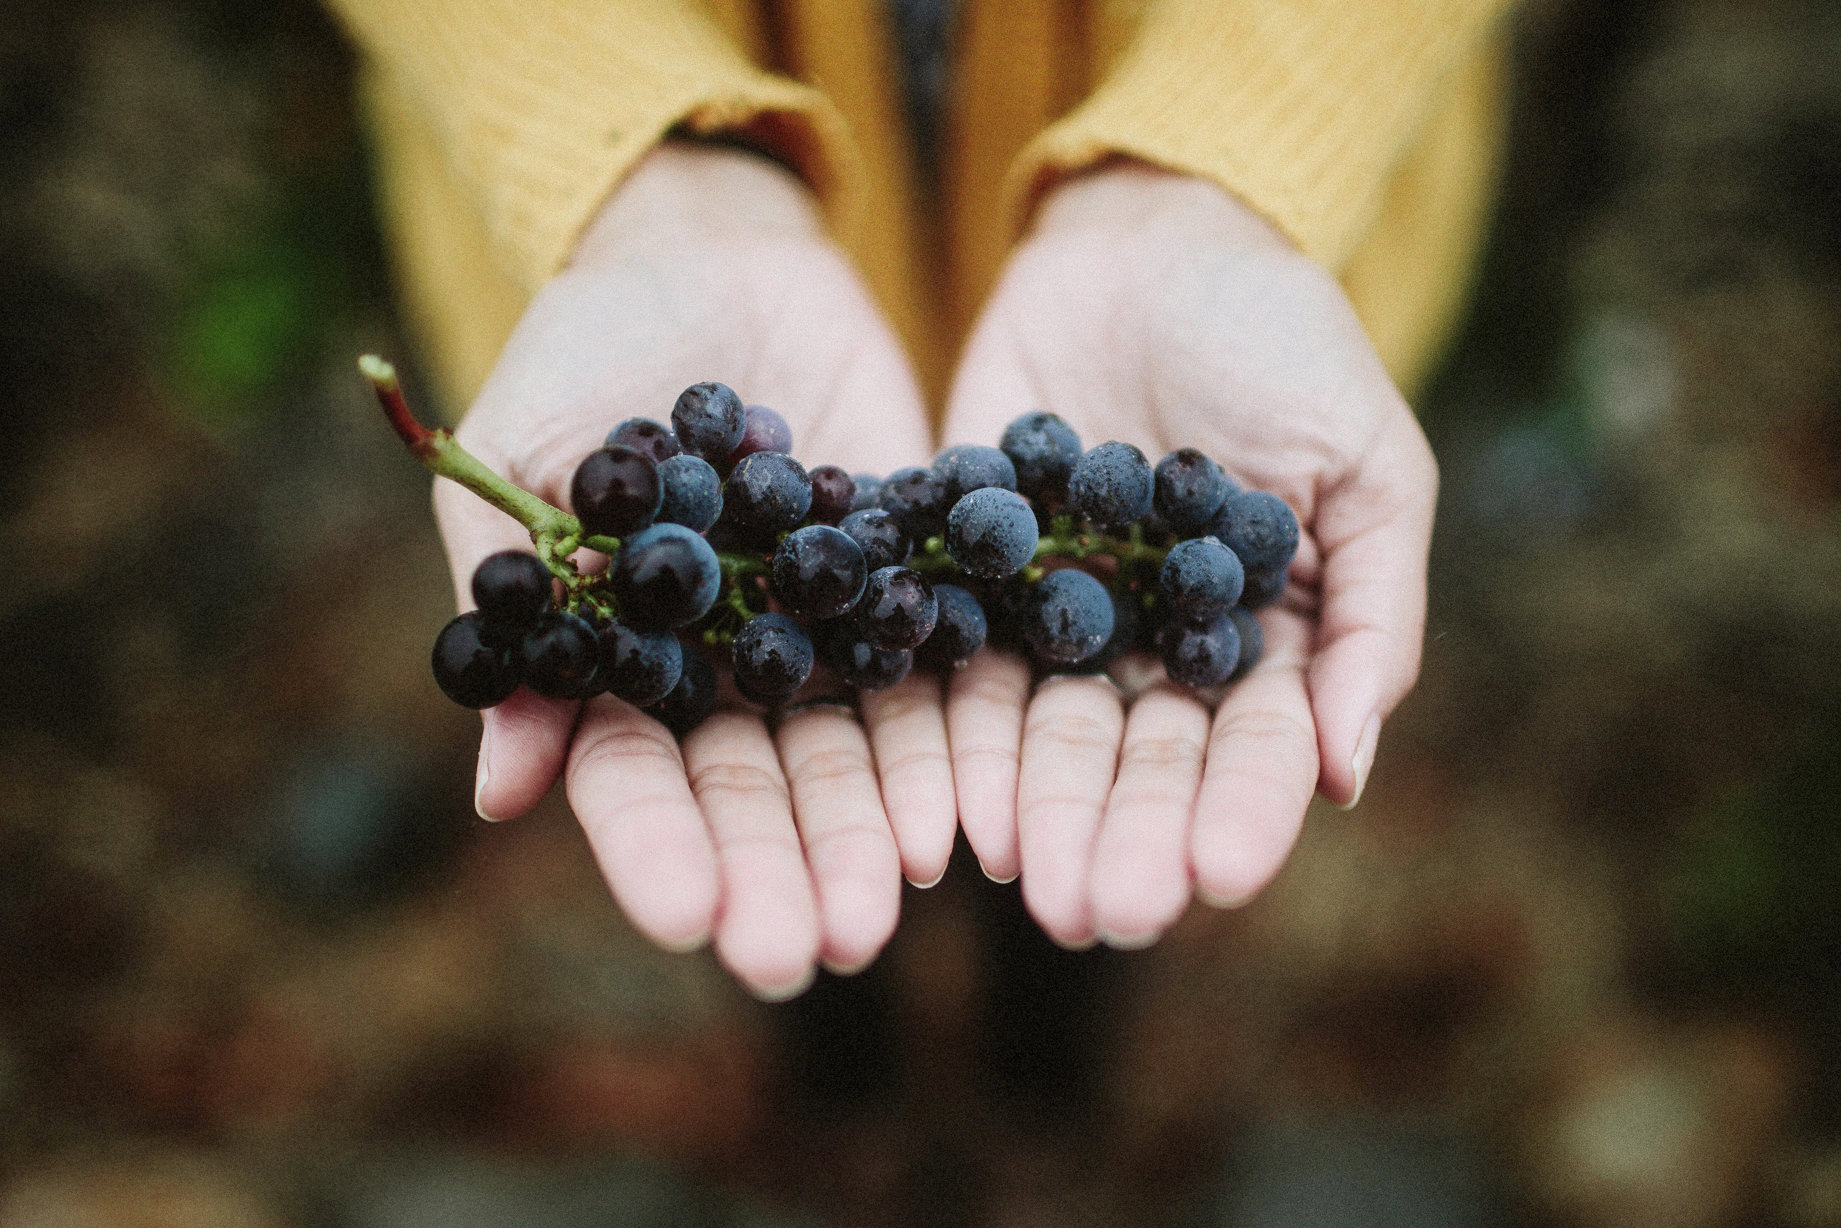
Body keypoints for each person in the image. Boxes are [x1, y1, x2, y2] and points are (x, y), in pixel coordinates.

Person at [327, 0, 1516, 1000]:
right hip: (603, 231)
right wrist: (646, 171)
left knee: (1061, 845)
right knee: (802, 829)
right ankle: (851, 1048)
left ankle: (1045, 1030)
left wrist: (1213, 165)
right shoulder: (682, 531)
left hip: (1245, 241)